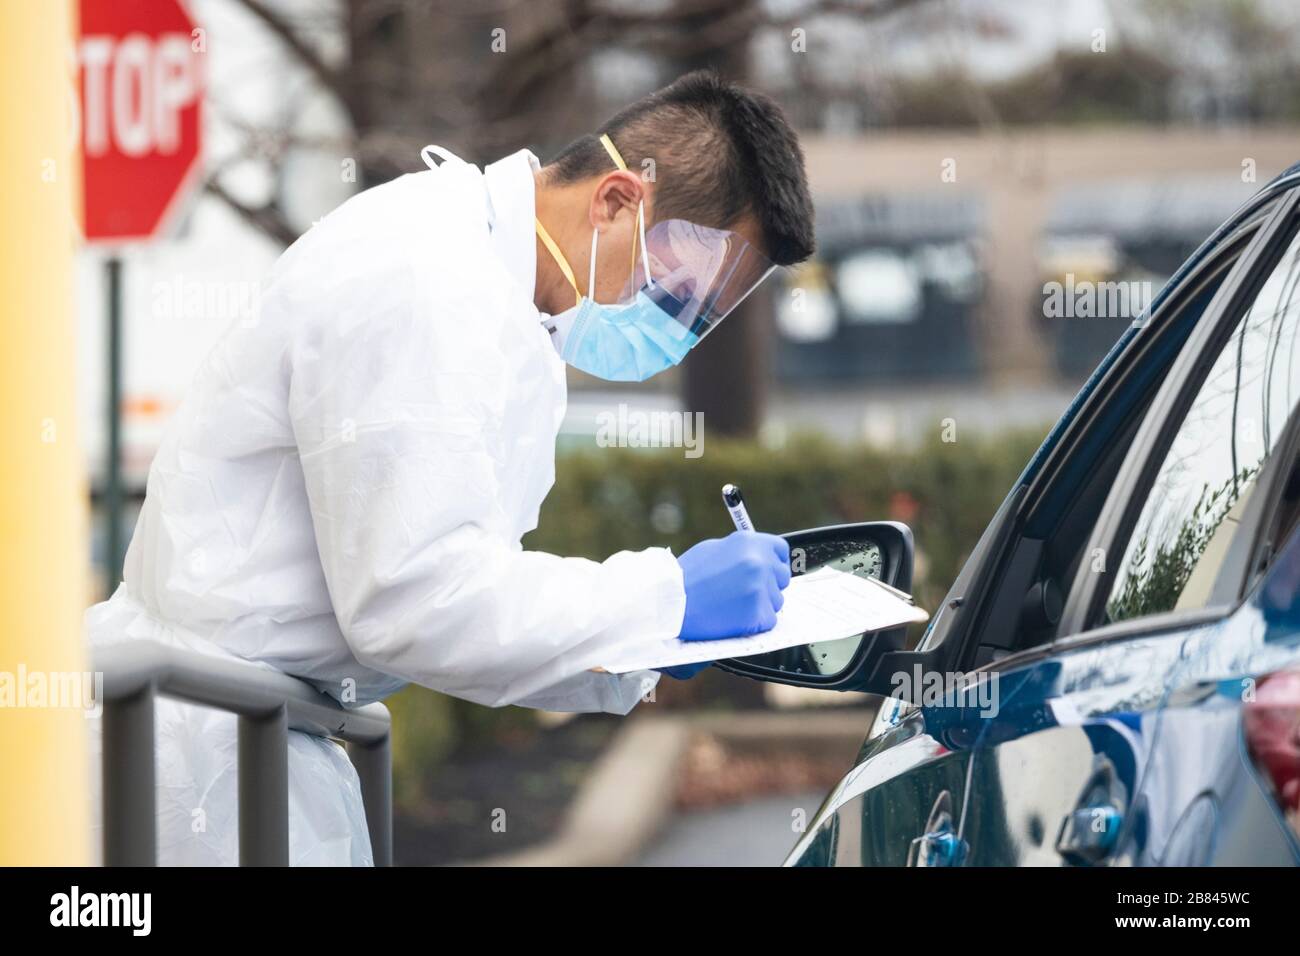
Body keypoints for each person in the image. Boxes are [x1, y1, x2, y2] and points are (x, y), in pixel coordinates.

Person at [86, 70, 816, 865]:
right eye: (678, 294)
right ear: (615, 201)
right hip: (208, 768)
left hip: (251, 740)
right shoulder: (425, 282)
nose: (675, 328)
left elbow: (457, 598)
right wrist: (666, 600)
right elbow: (419, 600)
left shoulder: (484, 285)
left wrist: (659, 639)